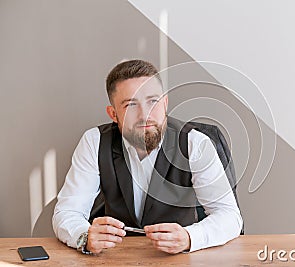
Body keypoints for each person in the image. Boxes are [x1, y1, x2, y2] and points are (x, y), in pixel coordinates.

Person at [52, 59, 243, 255]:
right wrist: (84, 236)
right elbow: (67, 212)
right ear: (113, 114)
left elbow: (229, 216)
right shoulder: (95, 142)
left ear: (165, 103)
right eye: (131, 105)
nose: (145, 115)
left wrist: (189, 237)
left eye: (153, 101)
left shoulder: (195, 143)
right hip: (116, 257)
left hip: (180, 259)